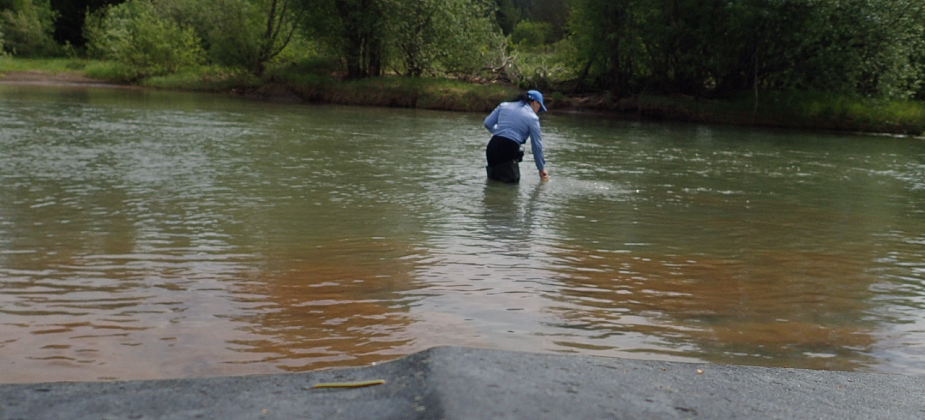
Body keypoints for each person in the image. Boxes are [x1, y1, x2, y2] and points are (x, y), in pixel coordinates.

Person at [483, 89, 549, 183]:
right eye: (539, 107)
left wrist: (501, 132)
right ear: (534, 103)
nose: (538, 111)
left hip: (492, 146)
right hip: (509, 148)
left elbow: (487, 123)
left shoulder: (504, 105)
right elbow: (536, 145)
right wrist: (541, 168)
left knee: (493, 183)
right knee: (511, 187)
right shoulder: (532, 118)